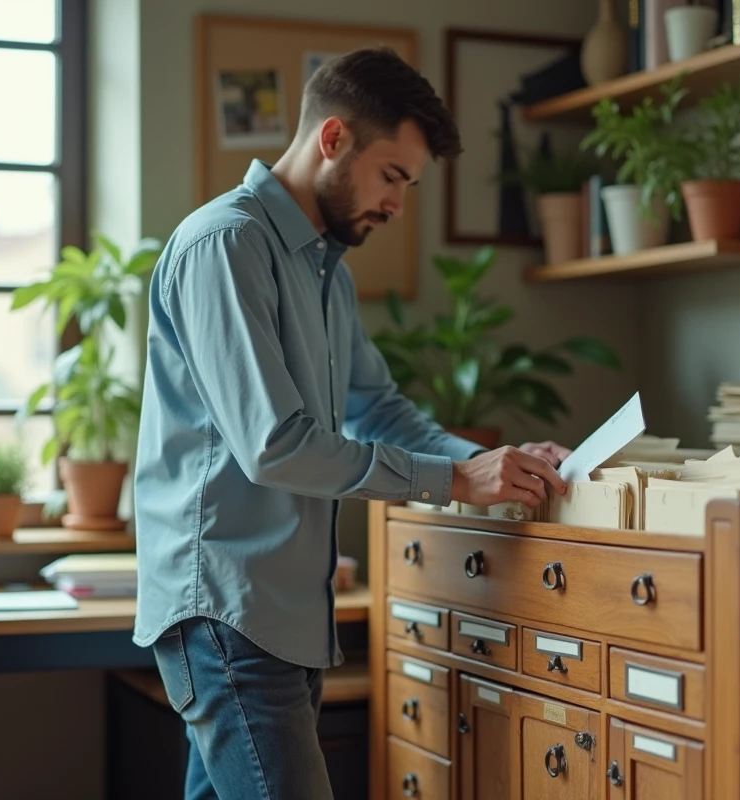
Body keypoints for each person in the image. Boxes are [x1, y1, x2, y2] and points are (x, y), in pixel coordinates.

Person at [131, 47, 571, 800]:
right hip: (229, 612)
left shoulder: (321, 268)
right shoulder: (226, 244)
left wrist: (495, 463)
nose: (398, 205)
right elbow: (275, 446)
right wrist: (457, 479)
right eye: (392, 176)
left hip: (282, 614)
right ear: (333, 140)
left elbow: (381, 411)